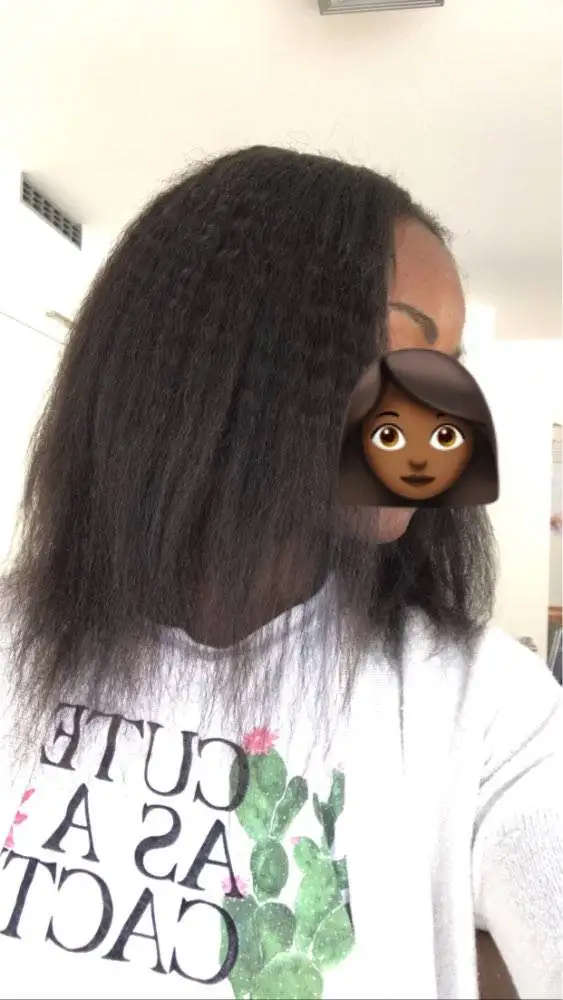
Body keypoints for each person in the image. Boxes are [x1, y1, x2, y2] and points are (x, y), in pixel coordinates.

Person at [0, 146, 560, 1000]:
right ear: (225, 351)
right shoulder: (16, 644)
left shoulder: (484, 708)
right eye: (404, 342)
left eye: (451, 363)